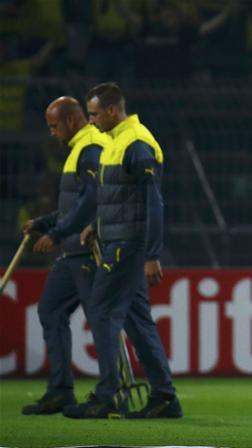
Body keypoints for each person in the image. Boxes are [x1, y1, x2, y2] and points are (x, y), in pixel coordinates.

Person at [64, 82, 181, 419]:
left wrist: (152, 254)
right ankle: (164, 397)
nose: (91, 121)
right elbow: (120, 198)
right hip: (118, 241)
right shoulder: (117, 141)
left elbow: (153, 202)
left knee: (101, 311)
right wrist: (96, 225)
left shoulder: (137, 143)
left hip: (127, 247)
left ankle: (108, 396)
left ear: (112, 111)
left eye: (94, 114)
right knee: (137, 320)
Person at [18, 97, 109, 415]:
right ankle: (60, 391)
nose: (52, 132)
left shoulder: (90, 147)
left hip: (87, 250)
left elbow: (91, 201)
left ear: (71, 120)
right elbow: (73, 205)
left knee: (100, 321)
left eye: (54, 125)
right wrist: (44, 222)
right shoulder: (78, 148)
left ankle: (110, 394)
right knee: (50, 310)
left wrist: (56, 234)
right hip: (71, 252)